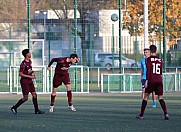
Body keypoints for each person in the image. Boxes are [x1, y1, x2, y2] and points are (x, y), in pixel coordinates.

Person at [136, 45, 169, 120]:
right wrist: (161, 81)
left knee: (146, 96)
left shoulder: (148, 59)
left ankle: (141, 115)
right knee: (160, 97)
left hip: (151, 80)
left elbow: (148, 71)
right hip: (159, 80)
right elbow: (160, 72)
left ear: (150, 51)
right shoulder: (160, 60)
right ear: (156, 51)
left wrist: (146, 81)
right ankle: (166, 113)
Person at [11, 49, 45, 115]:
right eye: (29, 53)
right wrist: (30, 77)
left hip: (30, 82)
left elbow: (29, 70)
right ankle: (14, 107)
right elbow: (20, 74)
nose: (30, 54)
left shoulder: (29, 61)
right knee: (25, 98)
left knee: (34, 94)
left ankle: (37, 110)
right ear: (27, 55)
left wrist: (32, 72)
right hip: (24, 82)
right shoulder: (23, 64)